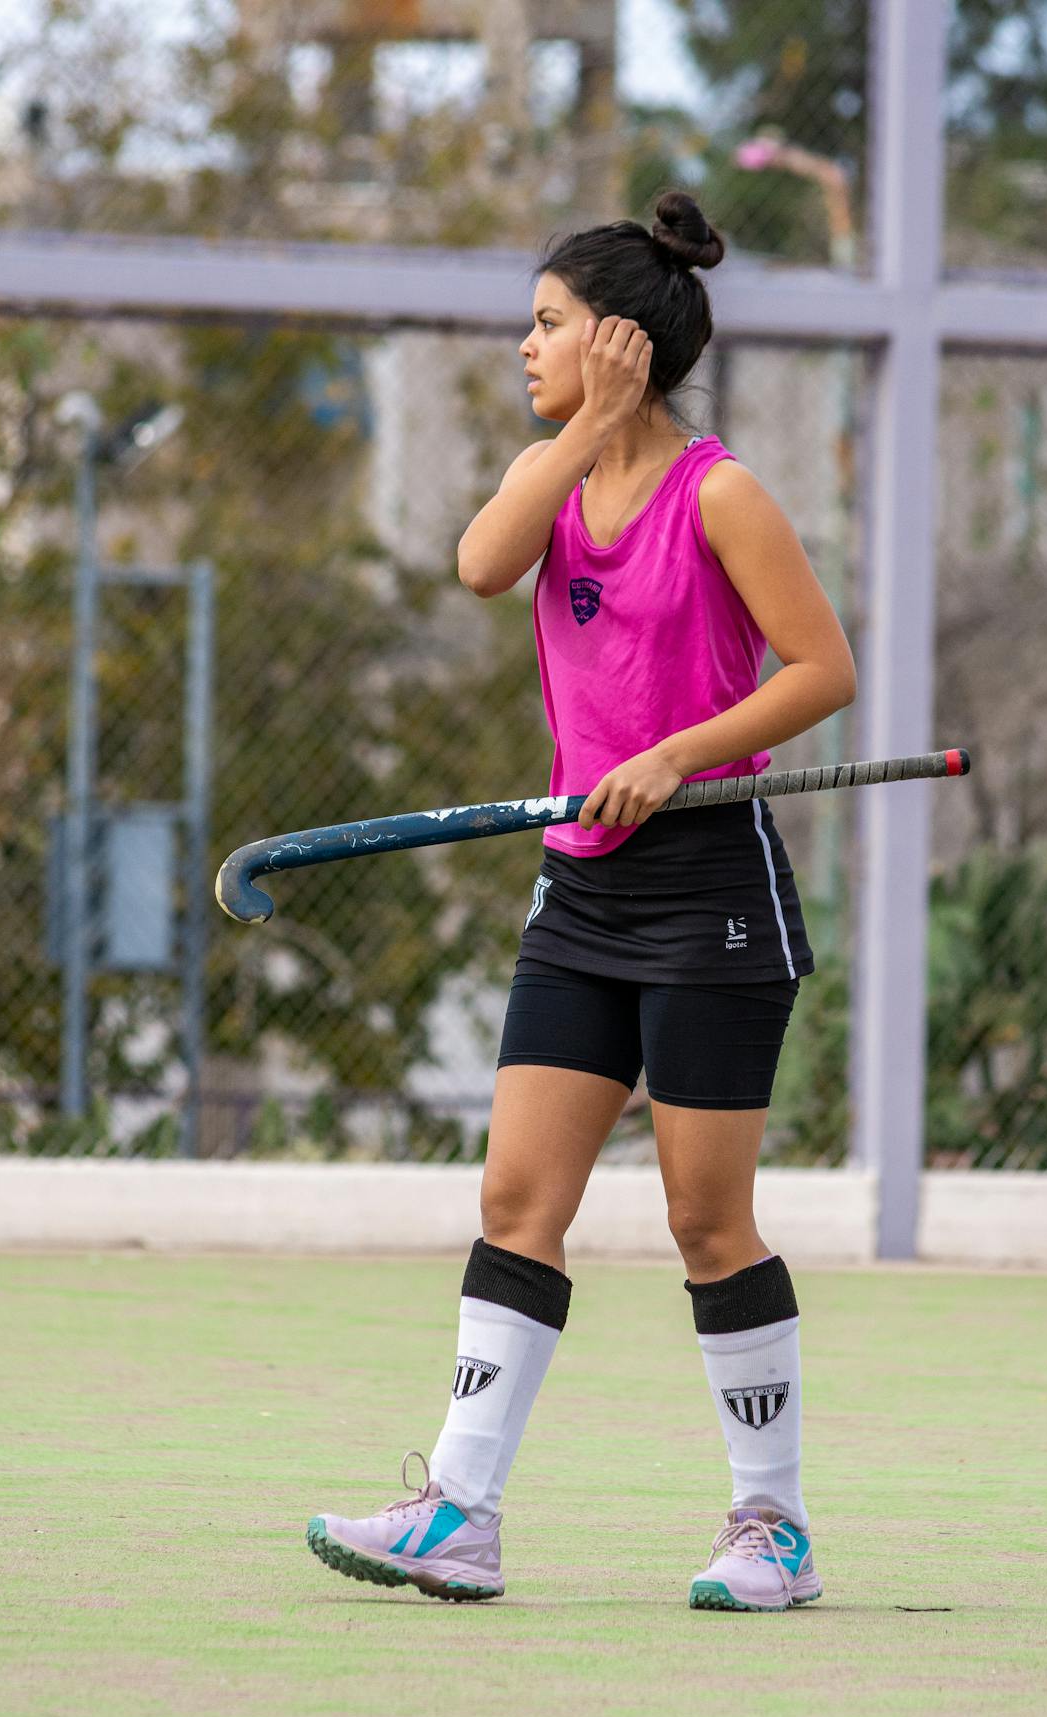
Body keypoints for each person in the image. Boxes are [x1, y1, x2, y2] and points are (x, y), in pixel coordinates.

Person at [307, 191, 857, 1612]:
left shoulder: (719, 493)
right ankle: (460, 1514)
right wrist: (576, 437)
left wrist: (679, 754)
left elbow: (820, 670)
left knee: (702, 1219)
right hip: (583, 892)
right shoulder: (549, 480)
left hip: (712, 882)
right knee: (517, 1195)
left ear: (617, 341)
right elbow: (483, 564)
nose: (526, 347)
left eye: (548, 325)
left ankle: (773, 1530)